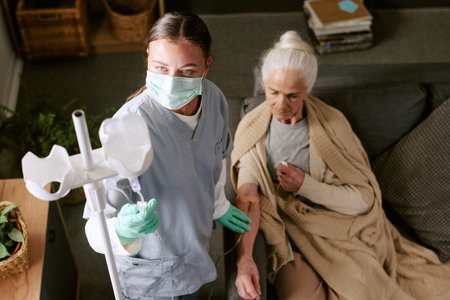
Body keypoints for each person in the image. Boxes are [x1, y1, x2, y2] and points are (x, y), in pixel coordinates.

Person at [230, 31, 450, 300]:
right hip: (290, 238)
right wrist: (245, 259)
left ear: (307, 91)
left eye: (292, 95)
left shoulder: (332, 125)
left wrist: (305, 186)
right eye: (273, 92)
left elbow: (362, 201)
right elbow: (248, 197)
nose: (280, 105)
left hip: (342, 234)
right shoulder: (254, 130)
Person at [83, 11, 251, 300]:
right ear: (147, 56)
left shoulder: (214, 99)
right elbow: (95, 229)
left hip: (193, 250)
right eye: (160, 68)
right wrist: (122, 231)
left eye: (187, 71)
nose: (172, 83)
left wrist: (218, 203)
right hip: (150, 273)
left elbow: (216, 156)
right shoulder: (127, 127)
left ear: (206, 66)